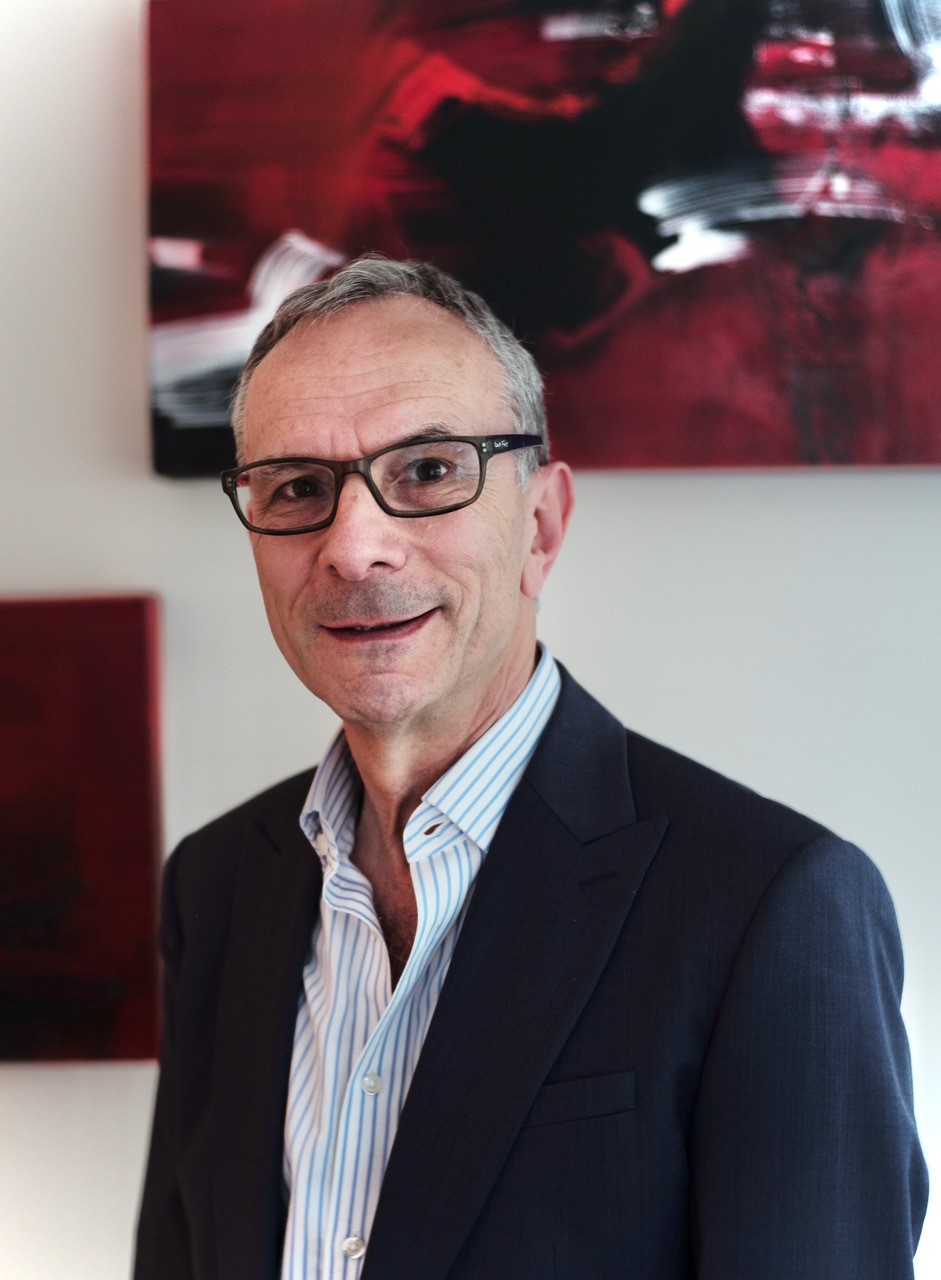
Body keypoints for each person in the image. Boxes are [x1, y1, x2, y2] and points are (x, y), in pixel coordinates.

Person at [134, 255, 927, 1280]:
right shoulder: (213, 885)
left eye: (426, 470)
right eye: (297, 487)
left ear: (540, 525)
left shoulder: (769, 902)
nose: (353, 545)